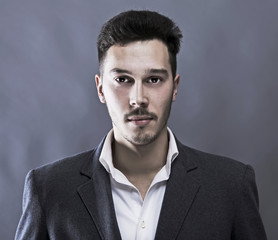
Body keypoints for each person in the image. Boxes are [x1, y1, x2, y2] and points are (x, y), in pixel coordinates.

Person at [15, 10, 267, 240]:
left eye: (154, 79)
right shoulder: (48, 189)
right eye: (123, 79)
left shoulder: (230, 186)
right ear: (100, 88)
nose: (138, 98)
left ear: (175, 87)